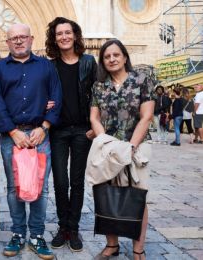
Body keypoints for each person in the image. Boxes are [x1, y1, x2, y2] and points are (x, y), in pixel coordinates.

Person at [0, 24, 62, 260]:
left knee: (40, 187)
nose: (18, 41)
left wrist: (44, 127)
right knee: (14, 187)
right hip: (12, 138)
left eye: (22, 37)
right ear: (7, 42)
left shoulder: (46, 66)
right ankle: (18, 233)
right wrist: (12, 132)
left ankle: (37, 235)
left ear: (31, 39)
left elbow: (56, 97)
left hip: (40, 135)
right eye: (13, 38)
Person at [90, 39, 155, 260]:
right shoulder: (99, 85)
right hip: (108, 148)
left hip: (136, 148)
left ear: (125, 57)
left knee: (138, 196)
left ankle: (138, 248)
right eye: (107, 57)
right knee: (107, 195)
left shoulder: (141, 80)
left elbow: (146, 116)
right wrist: (105, 143)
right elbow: (94, 117)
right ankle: (112, 245)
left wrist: (130, 147)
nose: (112, 59)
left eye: (116, 55)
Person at [45, 17, 97, 252]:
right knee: (60, 181)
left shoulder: (88, 62)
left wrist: (94, 126)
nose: (64, 36)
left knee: (76, 182)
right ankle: (62, 226)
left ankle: (73, 228)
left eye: (68, 32)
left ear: (75, 35)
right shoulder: (50, 65)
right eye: (59, 34)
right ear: (54, 38)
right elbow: (43, 93)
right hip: (58, 130)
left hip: (82, 131)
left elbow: (98, 95)